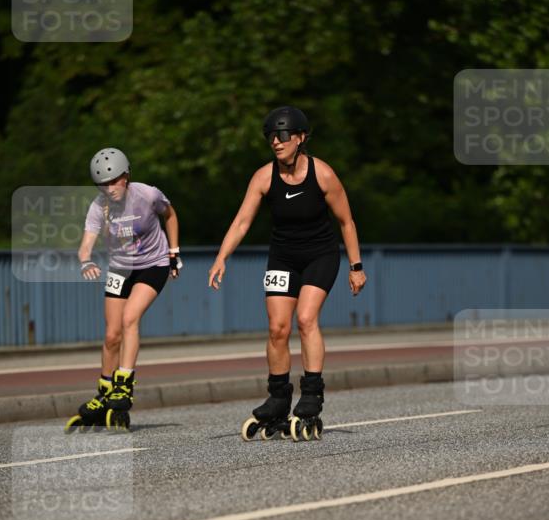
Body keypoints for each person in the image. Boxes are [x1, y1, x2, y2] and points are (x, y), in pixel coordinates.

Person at [208, 106, 365, 440]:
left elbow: (346, 222)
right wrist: (222, 257)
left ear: (300, 138)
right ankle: (279, 398)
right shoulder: (264, 177)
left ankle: (311, 395)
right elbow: (242, 221)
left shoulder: (322, 174)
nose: (276, 143)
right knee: (278, 328)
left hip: (320, 255)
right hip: (283, 257)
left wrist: (356, 267)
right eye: (271, 137)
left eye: (282, 136)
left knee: (306, 319)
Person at [66, 148, 183, 430]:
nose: (109, 189)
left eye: (114, 181)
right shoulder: (98, 207)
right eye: (102, 184)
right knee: (111, 334)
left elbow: (170, 215)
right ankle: (105, 392)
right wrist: (85, 262)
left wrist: (174, 252)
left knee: (131, 317)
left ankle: (124, 384)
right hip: (120, 268)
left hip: (153, 264)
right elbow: (85, 246)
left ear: (126, 176)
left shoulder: (147, 195)